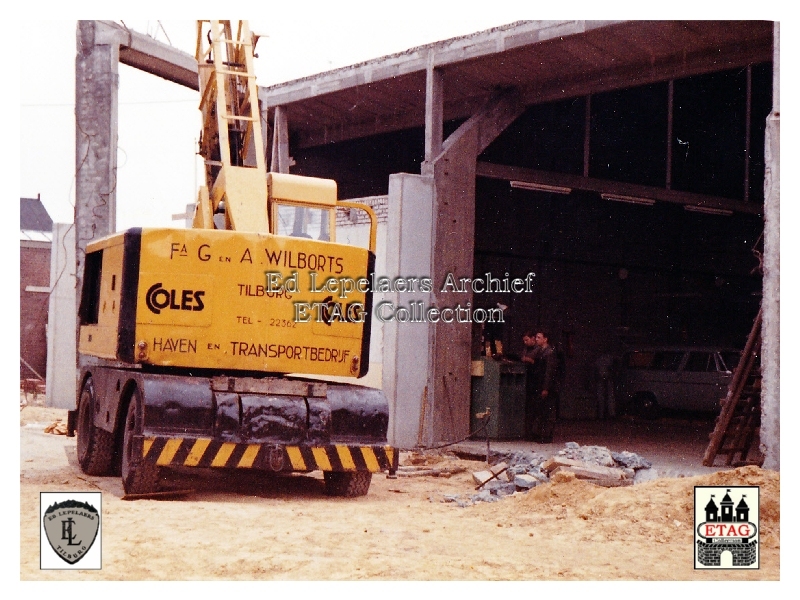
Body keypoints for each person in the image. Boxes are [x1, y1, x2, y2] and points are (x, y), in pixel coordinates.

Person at [529, 330, 560, 443]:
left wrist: (546, 388)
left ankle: (546, 436)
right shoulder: (540, 351)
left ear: (545, 339)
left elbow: (549, 372)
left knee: (548, 412)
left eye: (538, 337)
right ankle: (540, 434)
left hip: (548, 386)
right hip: (541, 384)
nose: (536, 339)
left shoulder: (550, 352)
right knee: (541, 410)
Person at [521, 331, 542, 440]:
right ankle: (528, 433)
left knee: (535, 409)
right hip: (528, 382)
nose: (525, 343)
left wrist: (530, 360)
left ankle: (534, 433)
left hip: (535, 381)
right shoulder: (526, 349)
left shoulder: (538, 350)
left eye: (527, 340)